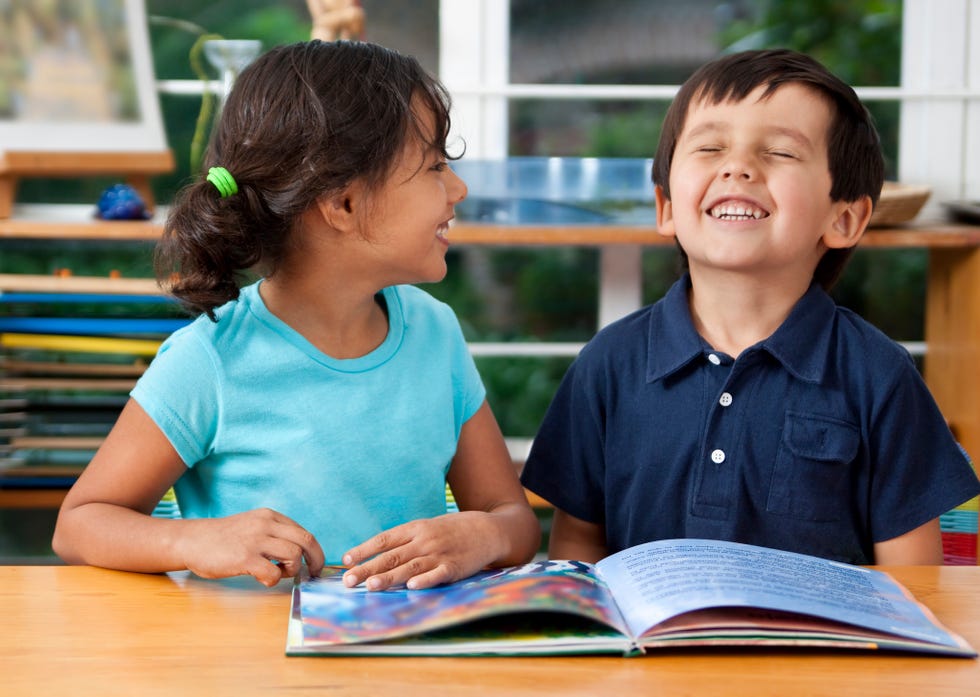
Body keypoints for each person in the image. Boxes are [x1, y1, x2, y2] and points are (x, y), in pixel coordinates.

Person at [52, 40, 540, 590]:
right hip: (251, 669)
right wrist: (192, 541)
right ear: (343, 205)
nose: (458, 188)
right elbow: (79, 523)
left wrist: (485, 535)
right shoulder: (210, 358)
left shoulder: (436, 333)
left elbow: (513, 519)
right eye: (433, 167)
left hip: (407, 664)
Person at [520, 48, 980, 566]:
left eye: (780, 152)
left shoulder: (880, 376)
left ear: (845, 219)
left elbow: (914, 582)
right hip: (646, 648)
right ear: (666, 206)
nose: (737, 167)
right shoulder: (608, 364)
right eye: (711, 147)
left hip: (824, 649)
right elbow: (578, 548)